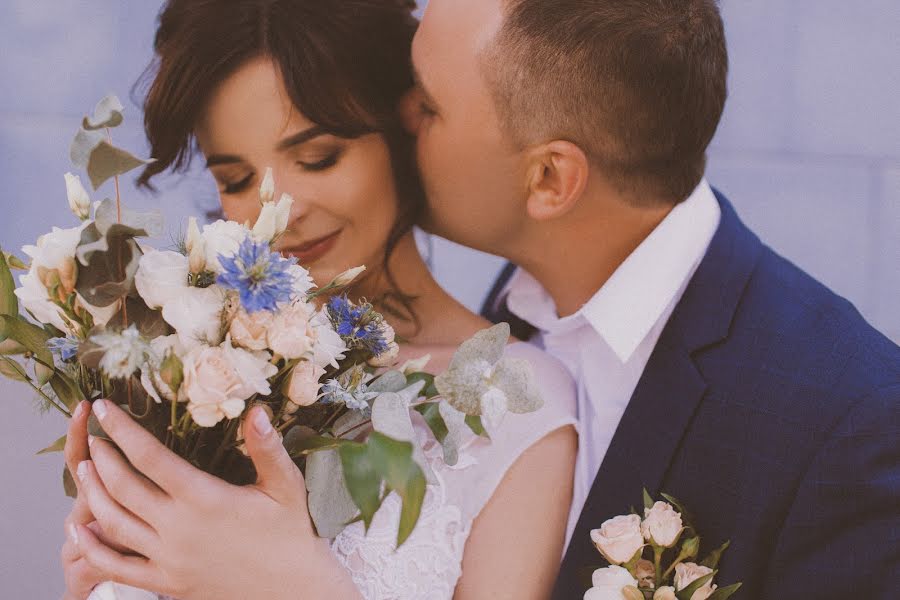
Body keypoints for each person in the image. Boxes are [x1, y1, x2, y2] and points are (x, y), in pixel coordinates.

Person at [60, 1, 577, 599]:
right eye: (236, 180)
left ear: (403, 132)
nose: (280, 206)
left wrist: (290, 584)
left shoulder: (513, 399)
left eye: (318, 158)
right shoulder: (189, 373)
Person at [407, 0, 900, 598]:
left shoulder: (849, 426)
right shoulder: (507, 308)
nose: (398, 115)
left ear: (550, 180)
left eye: (428, 106)